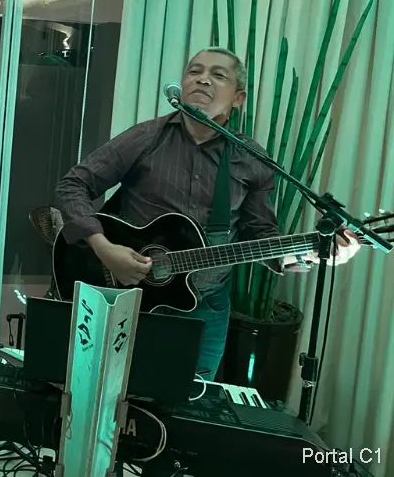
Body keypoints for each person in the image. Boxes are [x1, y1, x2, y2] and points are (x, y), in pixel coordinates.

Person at [55, 47, 360, 381]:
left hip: (205, 307)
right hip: (126, 296)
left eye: (218, 75)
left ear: (238, 98)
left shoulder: (251, 158)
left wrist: (311, 252)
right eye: (194, 71)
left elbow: (261, 236)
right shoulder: (147, 137)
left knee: (190, 403)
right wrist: (103, 248)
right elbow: (74, 184)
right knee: (112, 392)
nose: (202, 79)